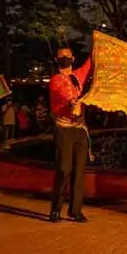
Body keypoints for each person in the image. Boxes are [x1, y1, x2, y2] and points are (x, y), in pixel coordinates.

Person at [48, 44, 93, 223]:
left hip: (80, 129)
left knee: (79, 172)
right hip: (64, 129)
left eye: (67, 55)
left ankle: (75, 211)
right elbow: (60, 94)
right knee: (64, 169)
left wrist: (99, 43)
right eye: (61, 56)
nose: (65, 58)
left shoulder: (79, 76)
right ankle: (56, 209)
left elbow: (91, 63)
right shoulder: (55, 80)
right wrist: (71, 101)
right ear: (56, 60)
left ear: (73, 59)